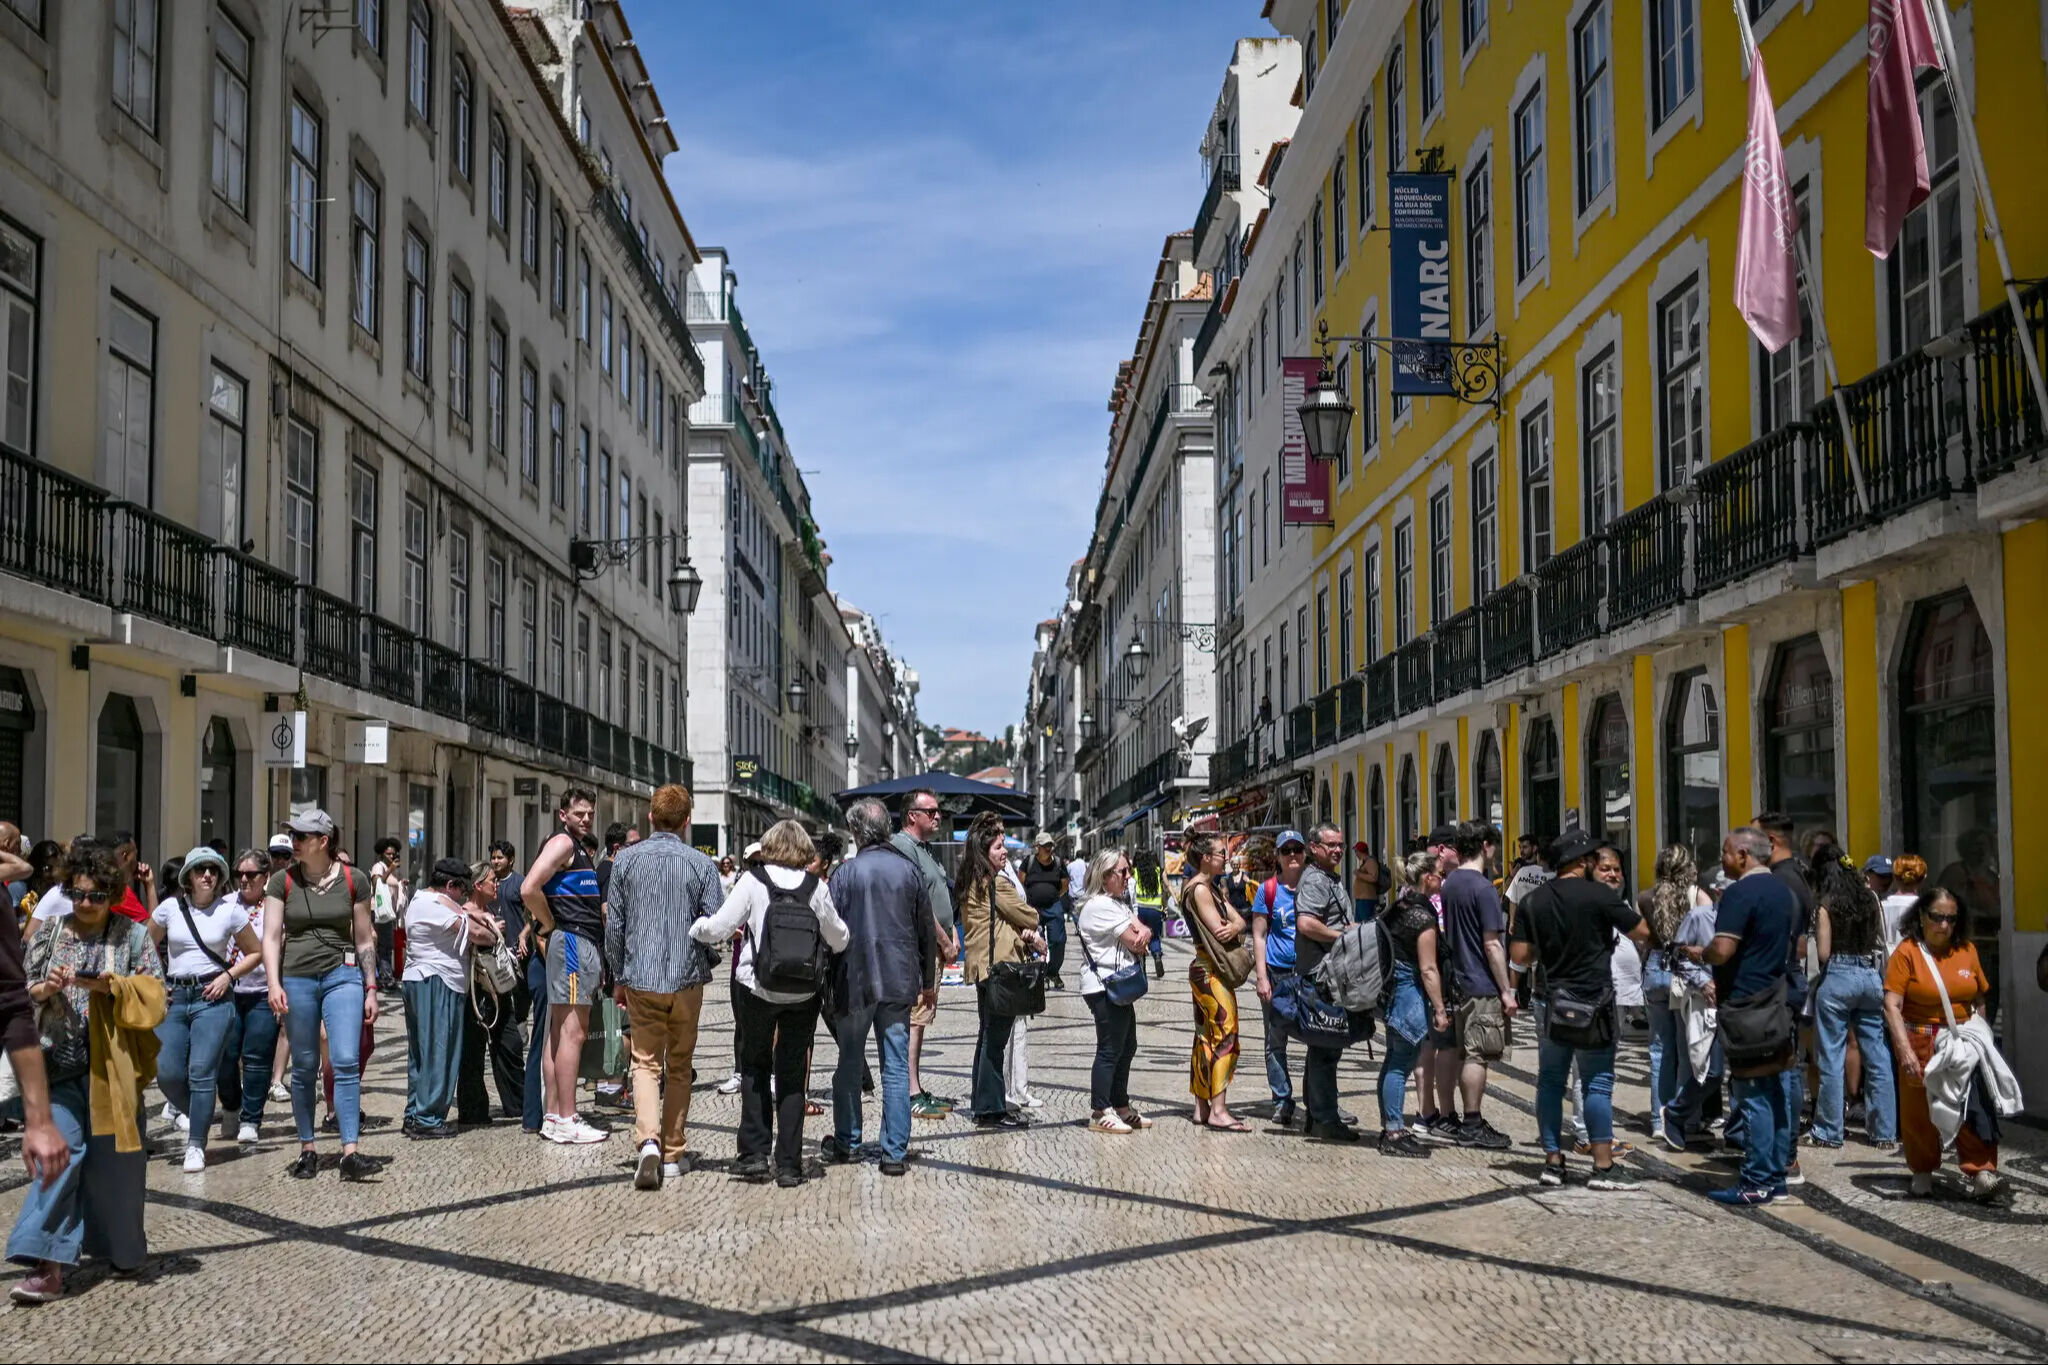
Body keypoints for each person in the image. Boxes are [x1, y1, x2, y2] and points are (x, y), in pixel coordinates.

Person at [8, 843, 163, 1303]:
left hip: (112, 1068)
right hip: (57, 1066)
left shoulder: (132, 936)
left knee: (118, 1166)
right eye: (78, 894)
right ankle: (48, 1264)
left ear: (111, 894)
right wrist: (46, 988)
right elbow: (23, 991)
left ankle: (120, 1249)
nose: (86, 903)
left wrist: (111, 986)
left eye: (96, 895)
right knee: (60, 1155)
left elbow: (156, 994)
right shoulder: (51, 933)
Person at [689, 820, 847, 1186]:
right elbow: (839, 938)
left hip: (757, 988)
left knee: (755, 1066)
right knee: (791, 1073)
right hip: (803, 993)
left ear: (770, 846)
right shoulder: (816, 887)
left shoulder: (753, 881)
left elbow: (720, 927)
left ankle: (754, 1156)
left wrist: (696, 928)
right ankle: (789, 1164)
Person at [1511, 828, 1648, 1189]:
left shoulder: (1533, 901)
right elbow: (1642, 932)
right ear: (1581, 861)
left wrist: (1549, 946)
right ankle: (1603, 1167)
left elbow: (1520, 956)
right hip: (1594, 1000)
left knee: (1550, 1081)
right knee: (1596, 1083)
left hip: (1550, 999)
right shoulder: (1599, 896)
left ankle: (1553, 1162)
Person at [605, 784, 722, 1189]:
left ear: (650, 817)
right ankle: (673, 1153)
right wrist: (705, 958)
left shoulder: (625, 861)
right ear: (687, 821)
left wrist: (618, 976)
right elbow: (715, 926)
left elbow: (615, 926)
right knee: (680, 1064)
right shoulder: (701, 865)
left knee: (644, 1062)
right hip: (687, 978)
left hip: (641, 976)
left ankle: (648, 1140)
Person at [262, 809, 378, 1182]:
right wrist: (273, 983)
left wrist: (371, 987)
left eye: (301, 836)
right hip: (297, 978)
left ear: (323, 841)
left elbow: (364, 938)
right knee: (304, 1065)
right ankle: (307, 1148)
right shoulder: (281, 882)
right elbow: (271, 937)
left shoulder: (354, 879)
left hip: (343, 975)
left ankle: (350, 1152)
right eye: (292, 835)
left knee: (345, 1060)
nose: (293, 842)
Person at [822, 798, 936, 1177]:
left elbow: (830, 929)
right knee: (896, 1065)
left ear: (856, 832)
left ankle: (848, 1142)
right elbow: (925, 930)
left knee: (850, 1062)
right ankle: (894, 1153)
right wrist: (929, 981)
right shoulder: (909, 871)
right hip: (899, 980)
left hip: (855, 979)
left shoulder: (845, 874)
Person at [1695, 826, 1800, 1206]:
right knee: (1776, 1091)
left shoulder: (1741, 893)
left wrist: (1701, 953)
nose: (1721, 860)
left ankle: (1756, 1179)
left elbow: (1723, 949)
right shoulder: (1784, 892)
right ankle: (1777, 1176)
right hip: (1776, 999)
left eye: (1725, 852)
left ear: (1742, 855)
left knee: (1753, 1094)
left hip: (1746, 1004)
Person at [1884, 887, 2004, 1200]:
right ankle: (1922, 1170)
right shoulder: (1907, 953)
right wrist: (1904, 1051)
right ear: (1921, 917)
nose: (1944, 925)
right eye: (1937, 917)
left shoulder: (1967, 950)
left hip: (1963, 1041)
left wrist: (1981, 1036)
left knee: (1972, 1104)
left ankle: (1982, 1170)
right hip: (1920, 1039)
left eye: (1951, 918)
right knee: (1920, 1111)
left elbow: (1980, 997)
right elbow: (1892, 1005)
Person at [148, 847, 261, 1172]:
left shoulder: (230, 912)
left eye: (213, 870)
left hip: (213, 996)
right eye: (200, 870)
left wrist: (228, 976)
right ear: (189, 877)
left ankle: (196, 1144)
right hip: (175, 997)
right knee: (167, 1072)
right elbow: (144, 946)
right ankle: (200, 1114)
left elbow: (255, 952)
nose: (207, 875)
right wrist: (158, 982)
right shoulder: (170, 908)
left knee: (201, 1071)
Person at [520, 788, 609, 1145]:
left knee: (558, 1033)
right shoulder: (563, 844)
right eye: (579, 813)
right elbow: (529, 888)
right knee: (573, 1032)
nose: (586, 818)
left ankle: (555, 1115)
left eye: (590, 813)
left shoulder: (576, 847)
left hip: (572, 942)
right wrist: (549, 922)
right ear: (563, 815)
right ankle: (568, 1117)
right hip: (573, 942)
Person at [1805, 845, 1897, 1151]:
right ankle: (1884, 1132)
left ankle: (1829, 1131)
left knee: (1831, 1056)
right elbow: (1880, 941)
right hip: (1870, 976)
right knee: (1878, 1055)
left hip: (1838, 976)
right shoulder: (1870, 899)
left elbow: (1823, 953)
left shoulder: (1826, 904)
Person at [956, 812, 1043, 1129]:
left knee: (986, 1037)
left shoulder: (970, 880)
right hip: (1001, 970)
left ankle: (983, 1103)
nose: (1004, 851)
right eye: (998, 847)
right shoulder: (997, 884)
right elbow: (1030, 916)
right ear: (984, 851)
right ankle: (991, 1110)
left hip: (982, 968)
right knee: (995, 1042)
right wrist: (1024, 926)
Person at [399, 860, 496, 1139]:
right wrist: (492, 933)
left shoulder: (421, 899)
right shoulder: (433, 905)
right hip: (437, 982)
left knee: (420, 1053)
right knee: (438, 1050)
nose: (462, 898)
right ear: (450, 885)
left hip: (422, 980)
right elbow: (477, 934)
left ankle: (414, 1113)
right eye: (461, 891)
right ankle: (427, 1118)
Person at [1437, 821, 1516, 1150]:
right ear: (1486, 846)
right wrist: (1507, 990)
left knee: (1461, 1051)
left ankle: (1459, 1116)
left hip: (1456, 980)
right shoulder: (1483, 889)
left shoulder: (1450, 884)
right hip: (1480, 981)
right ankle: (1472, 1122)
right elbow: (1492, 944)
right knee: (1477, 1055)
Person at [1057, 847, 1145, 1134]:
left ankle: (1120, 1105)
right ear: (1106, 876)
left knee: (1127, 1045)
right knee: (1110, 1048)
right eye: (1123, 871)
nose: (1128, 876)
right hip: (1104, 985)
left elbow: (1144, 931)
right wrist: (1140, 933)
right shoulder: (1099, 906)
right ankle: (1100, 1110)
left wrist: (1141, 932)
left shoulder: (1117, 903)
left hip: (1118, 983)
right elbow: (1136, 940)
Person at [892, 791, 960, 1119]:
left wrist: (953, 932)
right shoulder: (903, 847)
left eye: (938, 811)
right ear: (912, 815)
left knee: (922, 1017)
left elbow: (939, 894)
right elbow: (919, 902)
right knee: (915, 1019)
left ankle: (915, 1087)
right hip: (920, 947)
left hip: (935, 945)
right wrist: (944, 940)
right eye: (931, 812)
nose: (938, 817)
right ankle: (911, 1092)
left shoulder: (926, 849)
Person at [1291, 823, 1361, 1143]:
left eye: (1340, 845)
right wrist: (1342, 936)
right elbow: (1306, 924)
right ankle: (1324, 1119)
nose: (1337, 850)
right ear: (1314, 847)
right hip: (1321, 976)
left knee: (1322, 1047)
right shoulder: (1316, 880)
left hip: (1328, 974)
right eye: (1330, 845)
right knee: (1326, 1050)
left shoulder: (1328, 876)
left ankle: (1317, 1113)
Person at [1376, 851, 1448, 1157]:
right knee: (1401, 1062)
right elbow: (1428, 968)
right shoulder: (1422, 917)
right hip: (1409, 992)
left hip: (1391, 989)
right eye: (1440, 874)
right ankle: (1394, 1132)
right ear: (1428, 878)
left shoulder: (1398, 906)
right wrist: (1440, 1009)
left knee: (1393, 1058)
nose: (1443, 879)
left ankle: (1389, 1126)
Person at [1638, 846, 1712, 1144]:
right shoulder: (1697, 896)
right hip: (1685, 973)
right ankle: (1684, 1118)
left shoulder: (1645, 897)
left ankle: (1658, 1120)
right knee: (1687, 1050)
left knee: (1659, 1050)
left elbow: (1643, 939)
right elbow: (1708, 937)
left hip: (1655, 970)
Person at [1180, 833, 1247, 1131]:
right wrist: (1234, 926)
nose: (1226, 858)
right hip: (1210, 970)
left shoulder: (1212, 888)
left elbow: (1240, 922)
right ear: (1206, 858)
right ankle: (1218, 1110)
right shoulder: (1200, 890)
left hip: (1206, 969)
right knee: (1225, 1032)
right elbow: (1221, 929)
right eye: (1221, 853)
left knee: (1204, 1036)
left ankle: (1202, 1107)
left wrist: (1235, 925)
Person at [456, 859, 525, 1127]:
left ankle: (517, 1103)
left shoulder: (490, 911)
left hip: (499, 986)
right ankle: (473, 1110)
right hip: (475, 989)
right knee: (473, 1050)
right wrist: (492, 930)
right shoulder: (465, 913)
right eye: (492, 881)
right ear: (477, 885)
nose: (497, 885)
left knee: (511, 1043)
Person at [1250, 832, 1305, 1127]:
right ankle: (1282, 1100)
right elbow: (1259, 935)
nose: (1292, 855)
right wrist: (1261, 977)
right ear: (1279, 856)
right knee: (1275, 1039)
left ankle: (1322, 1102)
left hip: (1309, 973)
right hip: (1278, 972)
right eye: (1287, 850)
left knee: (1320, 1038)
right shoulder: (1268, 890)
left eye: (1297, 849)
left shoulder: (1314, 886)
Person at [1020, 833, 1069, 991]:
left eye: (1050, 845)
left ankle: (1052, 972)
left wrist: (1052, 896)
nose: (1049, 849)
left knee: (1059, 941)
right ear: (1037, 847)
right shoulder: (1028, 862)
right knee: (1033, 943)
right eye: (1045, 846)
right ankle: (1039, 974)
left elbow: (1065, 885)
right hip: (1032, 908)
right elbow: (1021, 883)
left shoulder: (1058, 863)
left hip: (1053, 906)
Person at [369, 836, 407, 996]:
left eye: (394, 853)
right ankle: (386, 979)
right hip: (379, 911)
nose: (392, 856)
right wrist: (390, 869)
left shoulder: (387, 867)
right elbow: (377, 883)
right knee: (385, 946)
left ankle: (384, 977)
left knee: (386, 945)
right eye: (388, 853)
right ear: (381, 853)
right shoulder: (378, 867)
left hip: (388, 912)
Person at [1880, 855, 1927, 958]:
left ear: (1894, 877)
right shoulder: (1925, 908)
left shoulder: (1881, 906)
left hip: (1886, 962)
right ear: (1924, 878)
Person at [1131, 854, 1168, 980]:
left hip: (1140, 909)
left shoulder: (1136, 872)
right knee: (1155, 936)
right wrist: (1165, 907)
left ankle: (1142, 964)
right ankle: (1157, 954)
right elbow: (1164, 891)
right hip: (1155, 909)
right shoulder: (1159, 871)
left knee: (1141, 936)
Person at [1350, 841, 1383, 923]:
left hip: (1367, 900)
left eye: (1356, 851)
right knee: (1359, 924)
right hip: (1362, 900)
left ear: (1360, 851)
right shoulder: (1365, 862)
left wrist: (1359, 874)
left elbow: (1374, 877)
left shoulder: (1370, 862)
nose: (1356, 854)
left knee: (1366, 923)